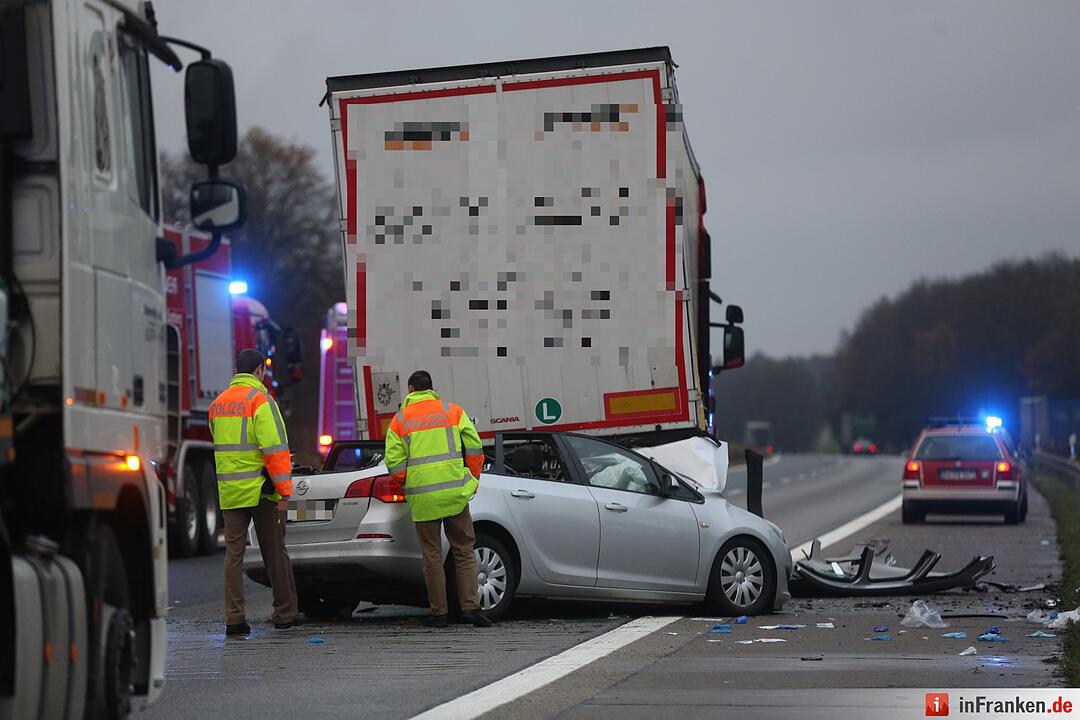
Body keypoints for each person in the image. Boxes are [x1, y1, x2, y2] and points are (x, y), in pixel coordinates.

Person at [384, 370, 492, 627]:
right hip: (455, 493)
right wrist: (471, 480)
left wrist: (406, 481)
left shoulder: (400, 420)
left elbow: (394, 463)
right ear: (432, 388)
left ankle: (439, 613)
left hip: (423, 498)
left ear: (410, 389)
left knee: (431, 555)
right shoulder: (452, 411)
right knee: (464, 550)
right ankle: (471, 608)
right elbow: (475, 447)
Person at [209, 348, 304, 636]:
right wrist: (285, 490)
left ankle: (234, 619)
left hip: (230, 490)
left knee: (233, 555)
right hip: (265, 491)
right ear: (260, 370)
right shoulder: (261, 400)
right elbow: (275, 449)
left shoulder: (218, 404)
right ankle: (285, 612)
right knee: (275, 551)